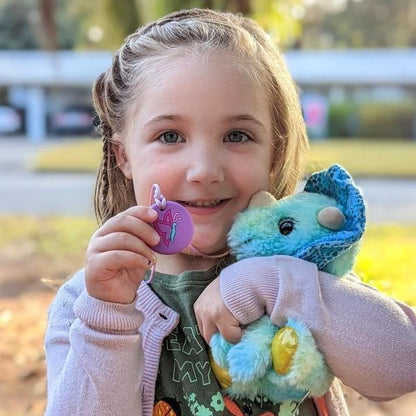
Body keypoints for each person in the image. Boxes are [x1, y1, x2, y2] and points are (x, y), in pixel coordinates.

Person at [44, 8, 416, 416]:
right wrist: (108, 318)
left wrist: (272, 282)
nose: (204, 170)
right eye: (170, 136)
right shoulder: (86, 303)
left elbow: (402, 367)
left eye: (236, 135)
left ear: (273, 152)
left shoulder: (298, 264)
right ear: (124, 155)